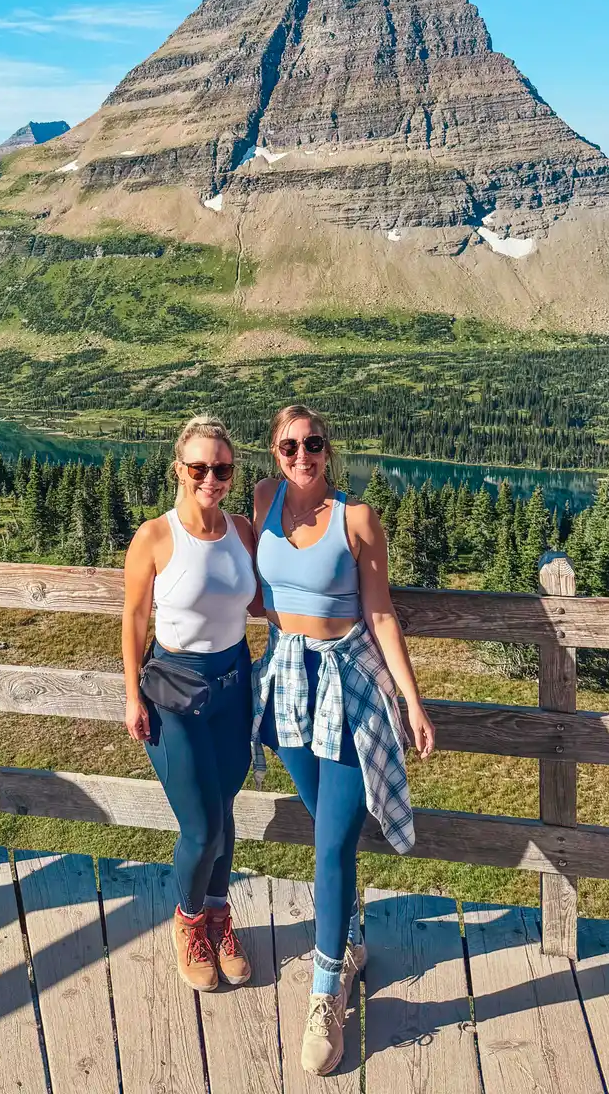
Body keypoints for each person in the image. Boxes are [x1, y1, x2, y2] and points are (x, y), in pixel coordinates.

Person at [253, 405, 435, 1076]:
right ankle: (351, 939)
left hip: (350, 685)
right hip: (286, 680)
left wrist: (412, 703)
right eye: (289, 445)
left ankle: (327, 989)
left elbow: (381, 611)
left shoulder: (356, 519)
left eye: (313, 444)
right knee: (322, 822)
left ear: (329, 450)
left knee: (330, 842)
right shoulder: (265, 499)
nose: (302, 454)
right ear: (274, 454)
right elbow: (255, 582)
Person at [122, 413, 258, 992]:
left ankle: (221, 913)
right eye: (200, 467)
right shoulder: (155, 536)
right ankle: (188, 921)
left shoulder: (243, 530)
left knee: (225, 817)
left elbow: (258, 603)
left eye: (222, 468)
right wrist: (132, 695)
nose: (212, 478)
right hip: (175, 691)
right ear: (179, 468)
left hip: (234, 685)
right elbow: (132, 618)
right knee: (201, 828)